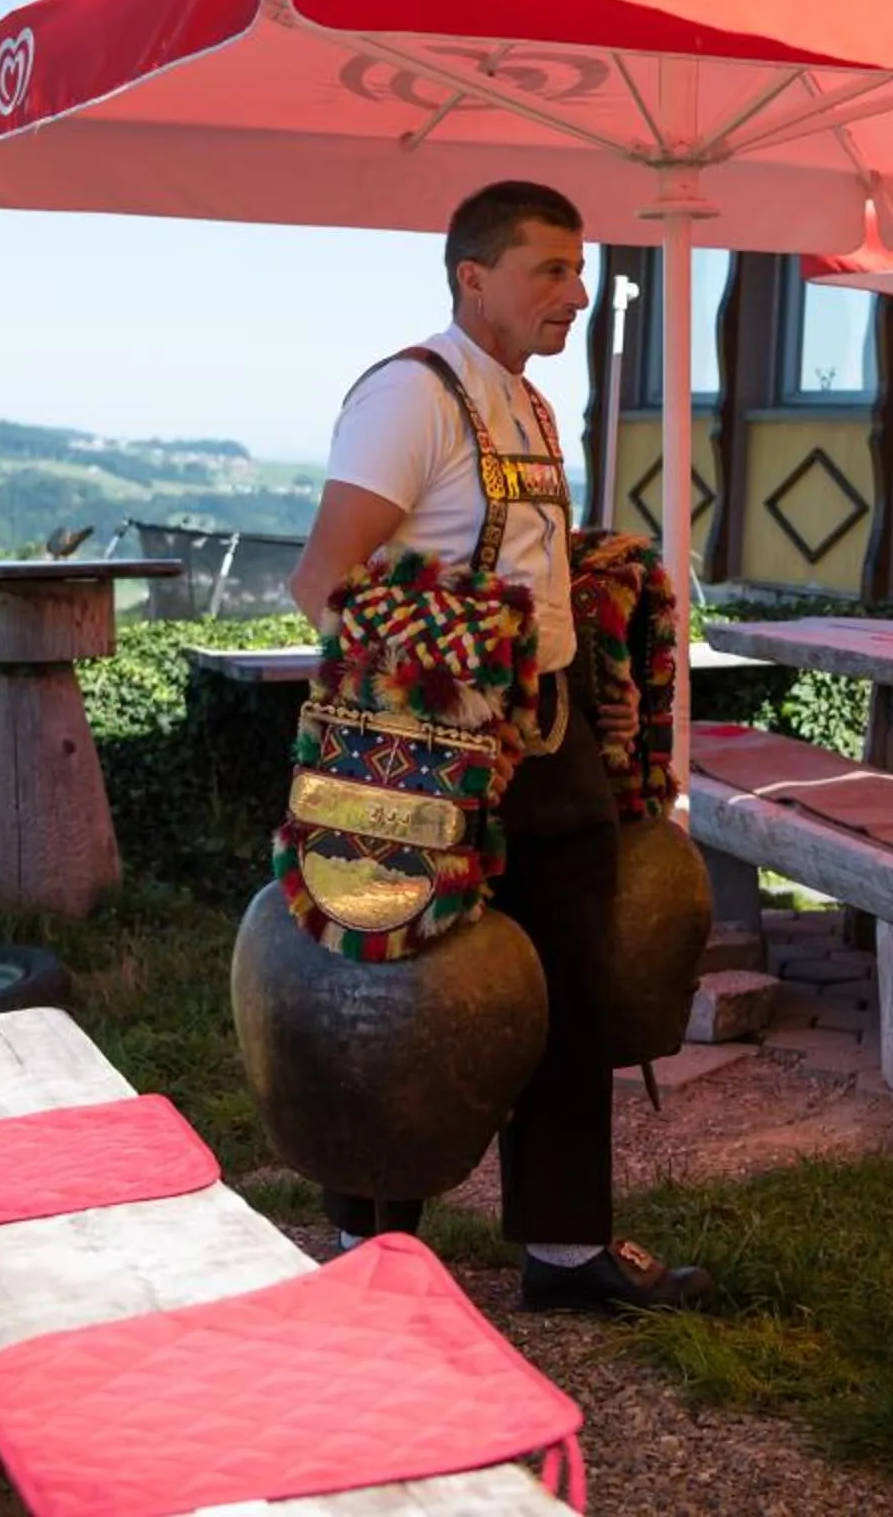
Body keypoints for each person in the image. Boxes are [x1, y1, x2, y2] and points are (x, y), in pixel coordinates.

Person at [286, 178, 715, 1313]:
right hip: (431, 756)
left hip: (556, 739)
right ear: (473, 277)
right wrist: (449, 698)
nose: (576, 292)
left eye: (579, 270)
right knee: (405, 987)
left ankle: (568, 1249)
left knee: (573, 985)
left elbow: (535, 576)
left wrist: (602, 664)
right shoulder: (409, 396)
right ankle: (367, 1242)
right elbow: (323, 585)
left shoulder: (525, 404)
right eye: (550, 270)